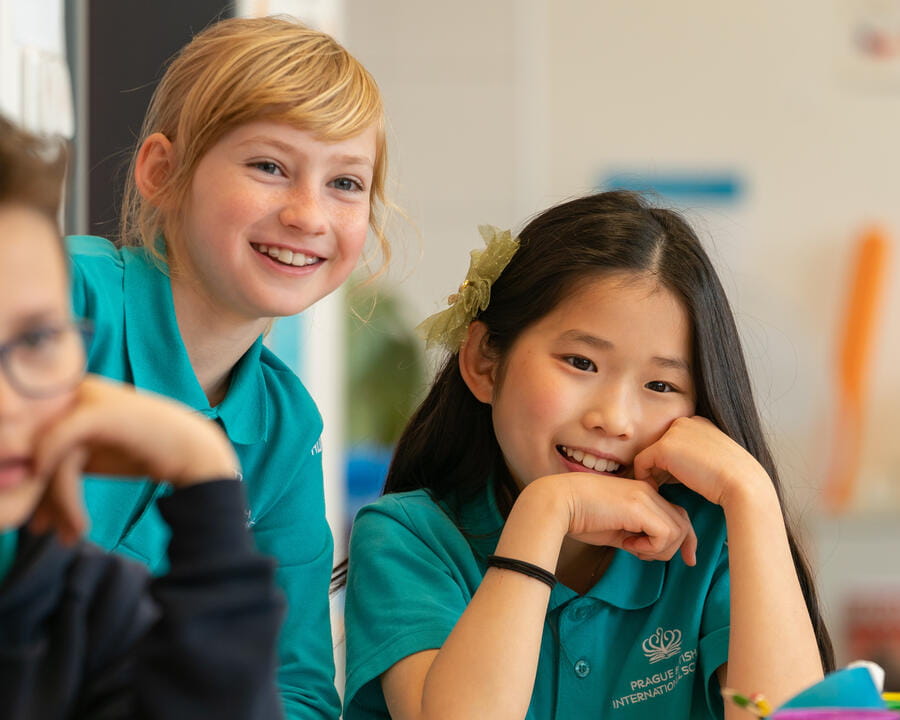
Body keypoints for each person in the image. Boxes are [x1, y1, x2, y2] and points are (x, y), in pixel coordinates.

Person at [342, 192, 835, 719]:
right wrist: (546, 512)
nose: (614, 419)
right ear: (486, 362)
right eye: (581, 361)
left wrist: (751, 494)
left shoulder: (711, 539)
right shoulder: (408, 539)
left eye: (661, 385)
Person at [67, 16, 388, 719]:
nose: (308, 215)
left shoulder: (284, 427)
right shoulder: (62, 299)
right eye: (270, 167)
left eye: (344, 182)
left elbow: (299, 693)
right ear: (162, 172)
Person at [0, 114, 284, 719]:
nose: (7, 401)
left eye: (38, 339)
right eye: (267, 166)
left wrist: (204, 472)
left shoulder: (86, 610)